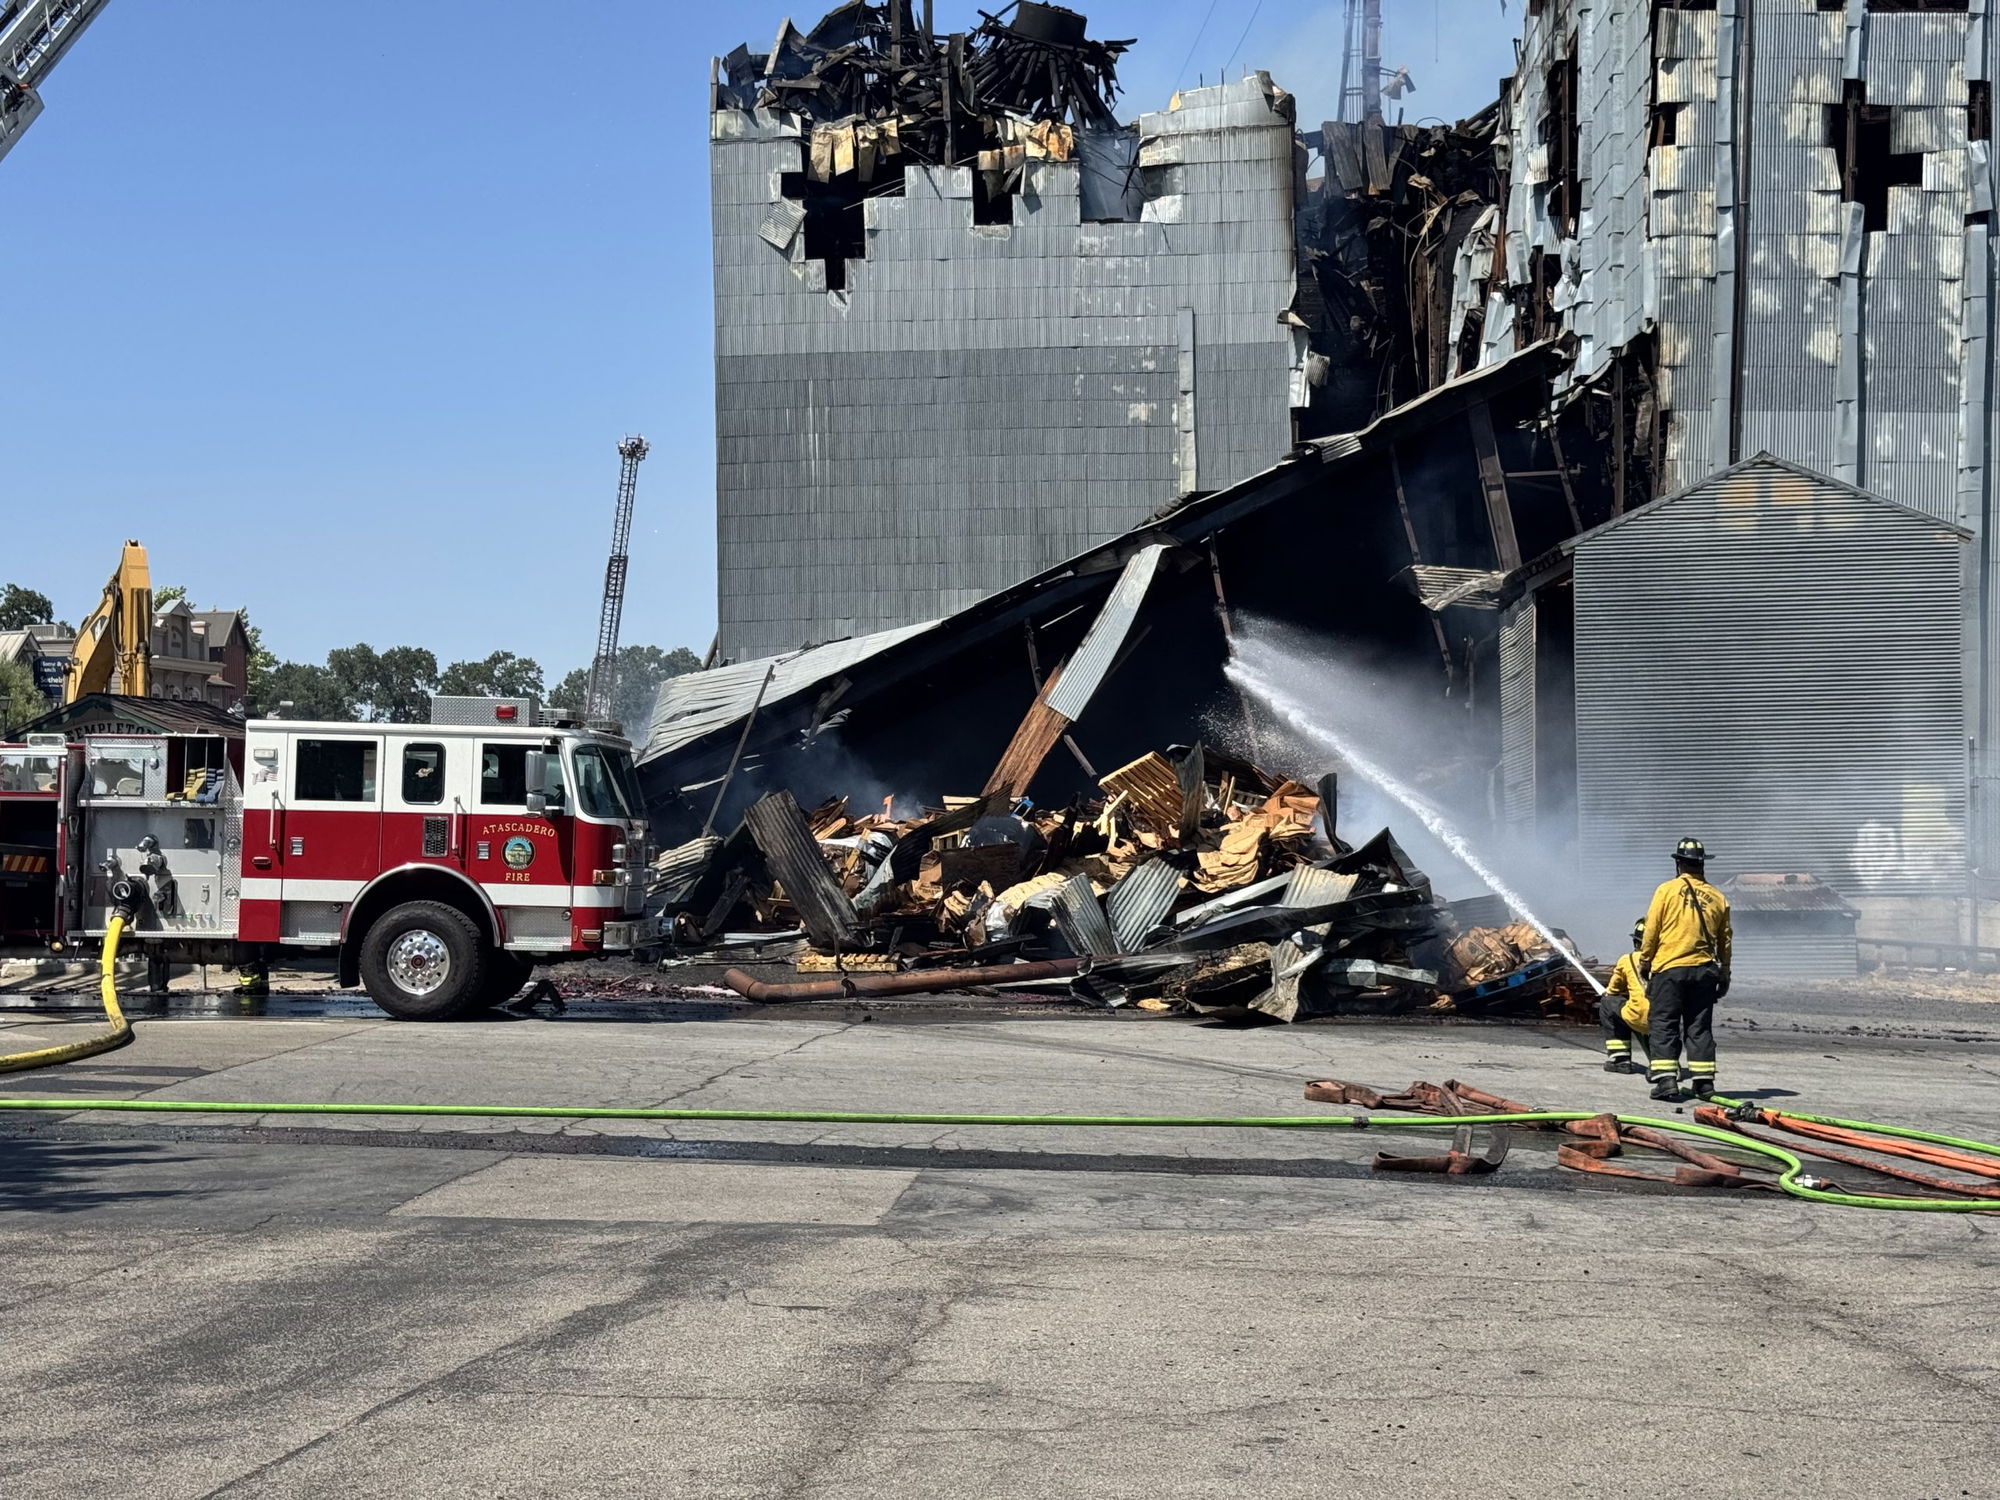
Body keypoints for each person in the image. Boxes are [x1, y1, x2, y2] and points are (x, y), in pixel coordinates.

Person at [1638, 836, 1733, 1101]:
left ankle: (1667, 1081)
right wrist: (1725, 973)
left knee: (1664, 1024)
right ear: (1702, 865)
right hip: (1704, 971)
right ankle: (1704, 1084)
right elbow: (1725, 939)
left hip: (1670, 968)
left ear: (1679, 863)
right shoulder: (1718, 897)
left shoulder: (1666, 890)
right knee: (1699, 1027)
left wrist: (1645, 961)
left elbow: (1652, 929)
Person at [1599, 918, 1648, 1074]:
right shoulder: (1669, 961)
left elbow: (1613, 990)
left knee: (1608, 1003)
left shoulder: (1626, 960)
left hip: (1639, 1018)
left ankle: (1620, 1060)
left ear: (1636, 942)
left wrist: (1608, 992)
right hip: (1666, 1020)